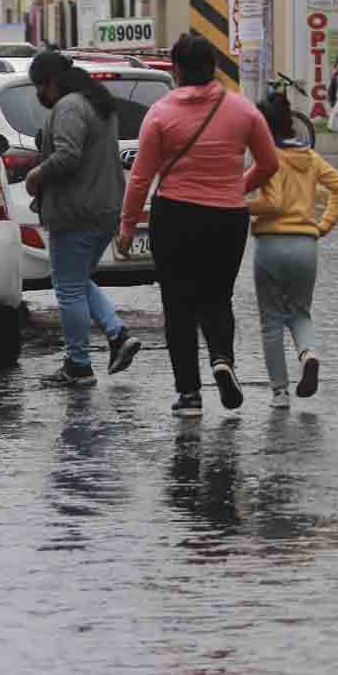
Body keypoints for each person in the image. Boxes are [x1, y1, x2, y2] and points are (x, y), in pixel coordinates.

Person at [119, 33, 279, 417]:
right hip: (227, 216)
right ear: (214, 68)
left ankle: (189, 395)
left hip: (174, 215)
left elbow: (141, 178)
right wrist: (235, 188)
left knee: (178, 305)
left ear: (175, 69)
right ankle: (222, 359)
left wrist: (127, 226)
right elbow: (270, 163)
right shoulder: (243, 111)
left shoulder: (159, 113)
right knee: (217, 296)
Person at [23, 52, 142, 386]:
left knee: (68, 288)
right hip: (103, 209)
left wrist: (36, 175)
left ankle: (78, 364)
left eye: (39, 87)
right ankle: (117, 334)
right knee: (75, 280)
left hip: (76, 211)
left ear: (51, 82)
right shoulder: (96, 103)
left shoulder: (70, 106)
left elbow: (68, 155)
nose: (39, 95)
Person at [248, 95, 338, 410]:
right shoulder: (310, 157)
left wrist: (242, 206)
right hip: (306, 245)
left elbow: (274, 202)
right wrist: (324, 225)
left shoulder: (269, 158)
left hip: (271, 244)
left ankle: (280, 393)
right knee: (300, 312)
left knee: (271, 320)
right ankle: (308, 354)